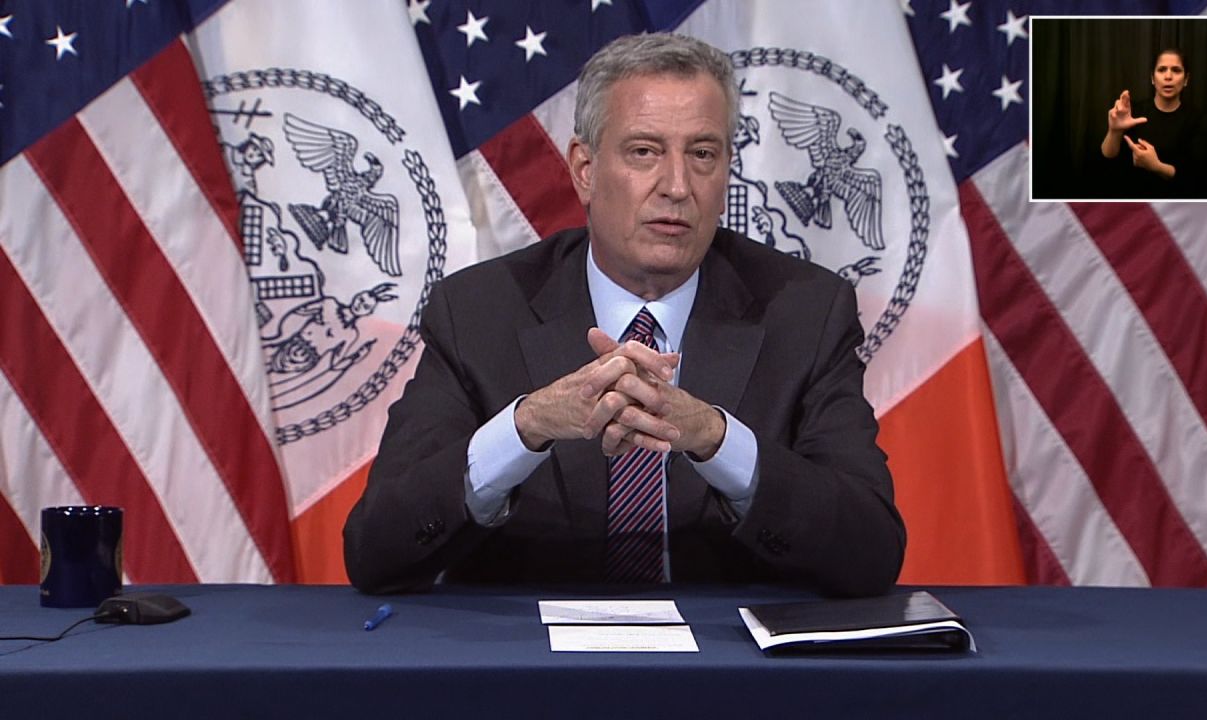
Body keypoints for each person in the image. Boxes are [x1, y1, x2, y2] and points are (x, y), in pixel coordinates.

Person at [343, 32, 905, 597]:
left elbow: (871, 552)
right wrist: (524, 427)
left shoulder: (805, 311)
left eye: (703, 154)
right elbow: (376, 550)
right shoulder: (479, 311)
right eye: (644, 152)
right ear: (584, 169)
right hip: (536, 670)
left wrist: (715, 437)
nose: (678, 186)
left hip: (731, 669)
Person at [1100, 48, 1202, 198]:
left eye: (1176, 70)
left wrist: (1157, 167)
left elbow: (1198, 177)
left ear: (1186, 79)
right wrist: (1114, 131)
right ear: (1153, 78)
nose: (1168, 76)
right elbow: (1107, 160)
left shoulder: (1197, 119)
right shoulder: (1130, 112)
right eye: (1161, 70)